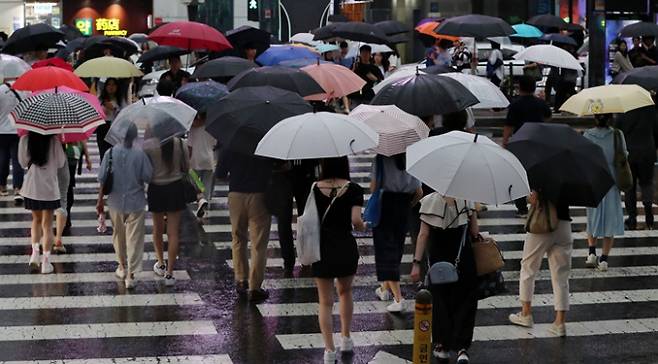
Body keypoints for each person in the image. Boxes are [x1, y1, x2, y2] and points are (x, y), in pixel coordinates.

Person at [410, 193, 479, 364]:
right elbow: (474, 231)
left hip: (438, 261)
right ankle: (462, 348)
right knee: (464, 301)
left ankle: (442, 345)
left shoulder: (428, 203)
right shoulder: (467, 200)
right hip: (463, 259)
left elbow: (423, 235)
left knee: (440, 301)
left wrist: (416, 263)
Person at [312, 157, 366, 364]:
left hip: (321, 248)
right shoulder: (354, 189)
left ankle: (329, 350)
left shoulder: (314, 189)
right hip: (344, 245)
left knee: (325, 302)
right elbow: (356, 221)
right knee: (345, 292)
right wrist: (363, 226)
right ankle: (346, 338)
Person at [509, 190, 572, 337]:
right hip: (564, 224)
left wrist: (529, 197)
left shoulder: (540, 174)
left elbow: (533, 198)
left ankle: (526, 314)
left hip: (542, 221)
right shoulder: (568, 172)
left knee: (528, 268)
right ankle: (560, 322)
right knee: (561, 276)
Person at [97, 123, 153, 289]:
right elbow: (148, 176)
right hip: (136, 201)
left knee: (118, 235)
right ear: (135, 136)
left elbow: (102, 178)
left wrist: (99, 200)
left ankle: (122, 266)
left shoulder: (110, 153)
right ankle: (132, 274)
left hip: (115, 202)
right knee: (135, 238)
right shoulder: (140, 154)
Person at [216, 149, 273, 302]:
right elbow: (275, 168)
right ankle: (255, 287)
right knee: (259, 243)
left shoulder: (232, 143)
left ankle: (241, 279)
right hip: (260, 195)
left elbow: (220, 173)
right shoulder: (266, 142)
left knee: (238, 238)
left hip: (236, 194)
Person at [371, 153, 422, 312]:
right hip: (404, 205)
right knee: (396, 248)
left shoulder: (380, 159)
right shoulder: (411, 159)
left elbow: (374, 187)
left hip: (385, 205)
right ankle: (384, 289)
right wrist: (408, 205)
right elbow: (419, 192)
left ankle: (399, 298)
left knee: (385, 251)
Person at [503, 76, 552, 216]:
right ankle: (538, 202)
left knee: (519, 174)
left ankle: (522, 208)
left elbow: (509, 125)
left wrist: (505, 141)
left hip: (520, 142)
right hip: (538, 141)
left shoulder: (515, 105)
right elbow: (548, 117)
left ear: (520, 88)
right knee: (537, 172)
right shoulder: (540, 104)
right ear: (534, 88)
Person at [18, 132, 66, 274]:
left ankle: (34, 253)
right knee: (47, 225)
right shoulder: (54, 140)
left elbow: (22, 162)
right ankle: (46, 262)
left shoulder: (25, 139)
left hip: (33, 186)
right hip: (49, 187)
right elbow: (61, 163)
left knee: (36, 220)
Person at [145, 136, 190, 286]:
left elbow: (145, 171)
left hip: (155, 188)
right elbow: (187, 167)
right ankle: (170, 273)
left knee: (157, 229)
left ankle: (160, 263)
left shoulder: (149, 145)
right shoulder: (180, 143)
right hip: (175, 188)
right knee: (173, 233)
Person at [583, 114, 626, 272]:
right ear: (610, 119)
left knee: (592, 217)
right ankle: (604, 260)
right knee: (610, 219)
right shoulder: (617, 135)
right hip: (612, 182)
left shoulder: (587, 135)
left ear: (595, 119)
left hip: (594, 181)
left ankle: (591, 253)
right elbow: (624, 156)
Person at [270, 159, 318, 274]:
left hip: (306, 176)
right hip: (283, 178)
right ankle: (288, 261)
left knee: (306, 220)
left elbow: (316, 158)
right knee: (283, 221)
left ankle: (306, 258)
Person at [615, 105, 658, 230]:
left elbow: (617, 131)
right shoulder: (651, 110)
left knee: (630, 186)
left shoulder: (624, 111)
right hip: (647, 152)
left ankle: (632, 217)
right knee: (646, 183)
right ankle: (649, 213)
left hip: (629, 152)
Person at [187, 113, 215, 218]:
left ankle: (200, 198)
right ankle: (204, 206)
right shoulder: (211, 128)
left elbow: (189, 146)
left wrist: (187, 159)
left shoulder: (193, 129)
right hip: (209, 160)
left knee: (195, 182)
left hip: (195, 159)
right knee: (206, 184)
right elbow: (214, 144)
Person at [0, 85, 24, 205]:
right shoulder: (24, 91)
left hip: (2, 131)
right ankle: (18, 188)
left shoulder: (0, 90)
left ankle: (2, 186)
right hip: (18, 131)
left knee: (2, 158)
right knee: (17, 160)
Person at [97, 78, 128, 162]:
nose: (111, 87)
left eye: (113, 85)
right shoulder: (100, 99)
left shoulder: (121, 100)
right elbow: (96, 114)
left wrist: (114, 109)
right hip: (103, 128)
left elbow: (125, 114)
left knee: (115, 154)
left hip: (116, 128)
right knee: (104, 154)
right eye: (109, 85)